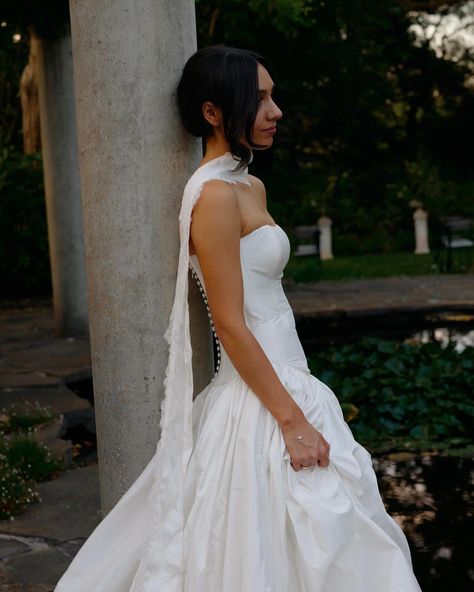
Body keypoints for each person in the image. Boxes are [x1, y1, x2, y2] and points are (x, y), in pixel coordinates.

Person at [54, 45, 423, 591]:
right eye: (261, 99)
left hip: (293, 377)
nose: (276, 111)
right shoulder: (212, 198)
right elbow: (228, 322)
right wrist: (292, 422)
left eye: (274, 96)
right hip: (259, 401)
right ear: (212, 112)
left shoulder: (249, 185)